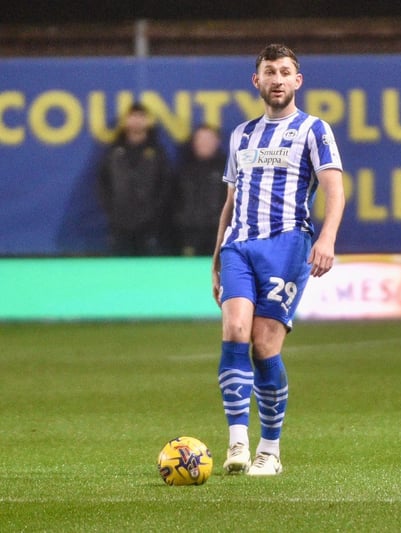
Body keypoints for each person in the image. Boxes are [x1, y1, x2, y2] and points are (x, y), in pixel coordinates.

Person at [211, 43, 345, 476]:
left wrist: (326, 238)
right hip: (239, 245)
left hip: (286, 246)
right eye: (270, 72)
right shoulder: (241, 134)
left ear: (297, 81)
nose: (277, 79)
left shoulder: (314, 130)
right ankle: (236, 444)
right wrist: (215, 258)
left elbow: (334, 191)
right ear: (257, 81)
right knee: (234, 329)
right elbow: (230, 201)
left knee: (264, 344)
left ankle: (270, 449)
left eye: (285, 72)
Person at [97, 102, 173, 256]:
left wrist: (154, 211)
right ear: (126, 121)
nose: (137, 121)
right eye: (133, 116)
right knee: (119, 270)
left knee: (148, 270)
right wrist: (112, 210)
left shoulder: (157, 152)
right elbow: (103, 182)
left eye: (141, 117)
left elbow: (166, 184)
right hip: (119, 223)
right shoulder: (114, 151)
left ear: (147, 121)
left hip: (150, 224)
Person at [173, 124, 228, 256]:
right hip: (188, 235)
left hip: (220, 234)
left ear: (217, 142)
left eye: (209, 139)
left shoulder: (228, 171)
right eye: (201, 139)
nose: (205, 143)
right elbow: (172, 202)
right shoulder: (183, 170)